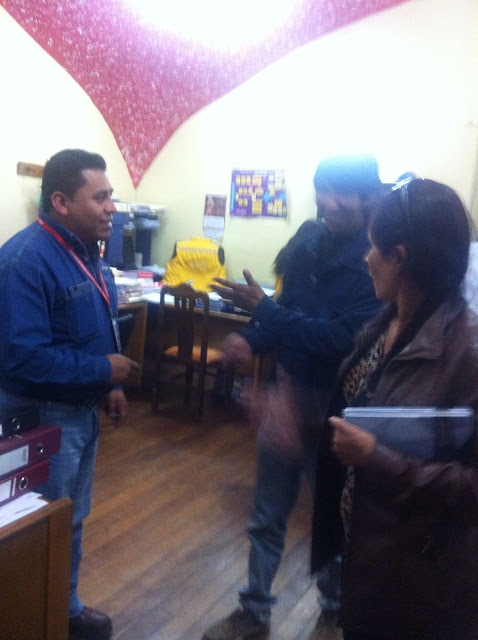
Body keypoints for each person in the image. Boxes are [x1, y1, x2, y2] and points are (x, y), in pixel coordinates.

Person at [202, 155, 383, 640]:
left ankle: (335, 610)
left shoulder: (377, 260)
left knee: (332, 522)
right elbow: (285, 313)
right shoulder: (307, 244)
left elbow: (341, 340)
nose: (328, 202)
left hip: (338, 414)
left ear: (368, 198)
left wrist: (266, 314)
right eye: (322, 189)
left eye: (341, 192)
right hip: (284, 400)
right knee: (265, 517)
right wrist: (250, 338)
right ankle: (253, 611)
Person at [312, 178, 478, 639]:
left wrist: (376, 458)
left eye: (373, 248)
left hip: (418, 583)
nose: (366, 259)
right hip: (368, 557)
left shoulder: (468, 353)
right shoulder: (382, 324)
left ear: (401, 257)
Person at [0, 149, 139, 640]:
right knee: (36, 528)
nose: (112, 207)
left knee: (69, 521)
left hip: (80, 412)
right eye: (100, 197)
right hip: (41, 416)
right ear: (61, 201)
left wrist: (110, 386)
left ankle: (63, 609)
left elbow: (96, 324)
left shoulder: (86, 252)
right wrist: (102, 369)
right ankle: (28, 619)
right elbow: (22, 358)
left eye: (111, 196)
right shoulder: (25, 260)